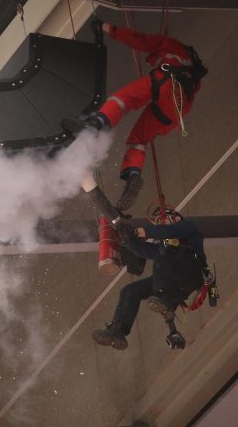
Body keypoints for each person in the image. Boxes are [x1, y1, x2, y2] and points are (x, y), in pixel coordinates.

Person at [63, 22, 207, 211]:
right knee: (138, 140)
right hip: (179, 108)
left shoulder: (169, 44)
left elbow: (140, 40)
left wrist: (107, 28)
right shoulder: (192, 72)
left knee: (122, 100)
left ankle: (93, 125)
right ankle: (132, 174)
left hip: (166, 82)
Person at [91, 208, 210, 351]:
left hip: (189, 270)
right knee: (130, 291)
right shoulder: (164, 246)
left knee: (164, 252)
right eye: (158, 222)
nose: (160, 224)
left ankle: (166, 301)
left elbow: (167, 233)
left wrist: (136, 232)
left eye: (162, 220)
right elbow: (145, 250)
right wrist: (127, 240)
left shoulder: (188, 227)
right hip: (171, 282)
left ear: (176, 218)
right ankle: (118, 329)